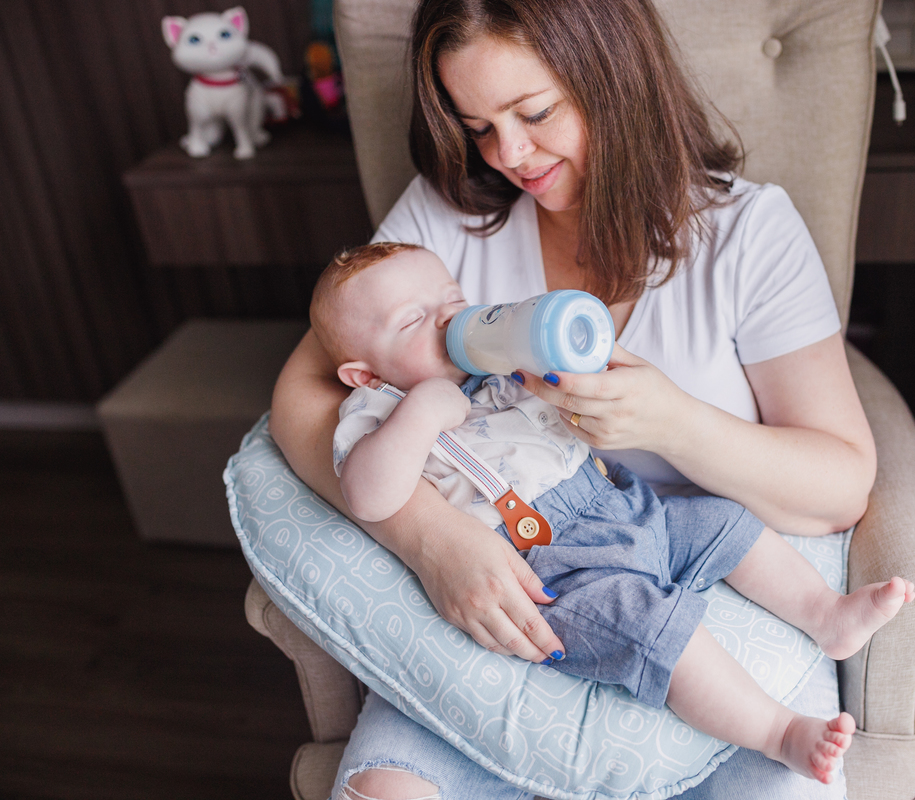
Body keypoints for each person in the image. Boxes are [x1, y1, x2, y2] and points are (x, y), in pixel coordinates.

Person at [269, 0, 880, 797]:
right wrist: (432, 541)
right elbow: (303, 396)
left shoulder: (747, 235)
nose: (509, 154)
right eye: (478, 126)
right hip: (514, 583)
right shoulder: (443, 225)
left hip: (675, 568)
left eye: (534, 112)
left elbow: (841, 483)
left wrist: (675, 423)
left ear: (613, 77)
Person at [307, 241, 913, 784]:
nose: (446, 319)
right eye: (414, 319)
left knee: (725, 521)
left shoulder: (496, 369)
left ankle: (826, 614)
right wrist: (419, 413)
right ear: (363, 372)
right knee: (652, 629)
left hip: (620, 501)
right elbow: (368, 493)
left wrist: (553, 361)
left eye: (453, 299)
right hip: (555, 563)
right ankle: (779, 732)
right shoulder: (376, 412)